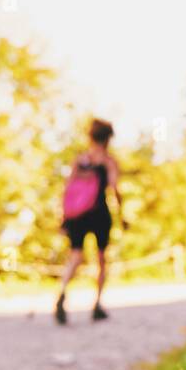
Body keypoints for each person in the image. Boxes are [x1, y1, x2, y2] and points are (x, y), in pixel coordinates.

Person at [55, 118, 125, 324]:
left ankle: (62, 291)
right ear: (108, 139)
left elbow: (68, 188)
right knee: (101, 259)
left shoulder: (80, 160)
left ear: (91, 137)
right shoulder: (108, 161)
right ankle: (97, 304)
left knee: (75, 255)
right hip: (99, 213)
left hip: (78, 215)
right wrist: (122, 213)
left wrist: (65, 216)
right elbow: (114, 188)